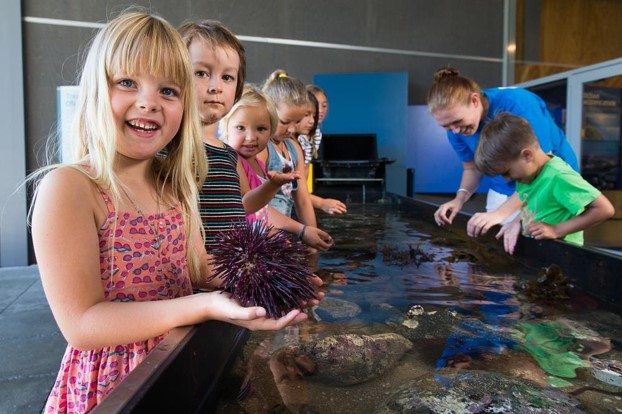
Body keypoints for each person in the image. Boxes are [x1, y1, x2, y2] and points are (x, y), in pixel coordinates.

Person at [31, 12, 316, 413]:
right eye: (127, 82)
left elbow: (199, 267)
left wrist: (270, 283)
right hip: (116, 385)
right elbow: (81, 325)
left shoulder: (174, 185)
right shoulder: (70, 188)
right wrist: (205, 306)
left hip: (180, 361)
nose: (149, 101)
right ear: (95, 89)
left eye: (168, 90)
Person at [427, 67, 579, 237]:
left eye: (457, 121)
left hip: (547, 183)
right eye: (446, 126)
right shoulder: (455, 130)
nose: (454, 131)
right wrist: (459, 199)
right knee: (494, 238)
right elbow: (472, 168)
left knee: (536, 243)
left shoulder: (519, 104)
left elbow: (540, 169)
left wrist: (502, 214)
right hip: (506, 184)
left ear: (475, 100)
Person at [475, 113, 614, 254]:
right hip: (539, 251)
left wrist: (556, 230)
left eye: (507, 172)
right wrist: (517, 222)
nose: (506, 178)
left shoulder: (558, 176)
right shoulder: (529, 175)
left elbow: (604, 209)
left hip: (563, 254)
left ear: (527, 155)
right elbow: (533, 203)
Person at [221, 84, 334, 249]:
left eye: (261, 129)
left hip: (267, 240)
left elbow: (262, 211)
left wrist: (303, 231)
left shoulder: (258, 161)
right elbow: (246, 206)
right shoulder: (233, 159)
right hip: (245, 246)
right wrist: (273, 185)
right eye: (240, 128)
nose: (251, 137)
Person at [258, 70, 317, 227]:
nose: (291, 130)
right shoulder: (261, 148)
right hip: (263, 233)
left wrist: (312, 236)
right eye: (285, 122)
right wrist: (300, 231)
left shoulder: (294, 148)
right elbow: (255, 207)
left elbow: (303, 201)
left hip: (284, 233)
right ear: (267, 110)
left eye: (297, 121)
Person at [296, 90, 347, 215]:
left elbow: (305, 170)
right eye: (317, 105)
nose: (321, 110)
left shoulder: (316, 133)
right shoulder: (296, 138)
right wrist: (320, 202)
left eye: (324, 105)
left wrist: (308, 198)